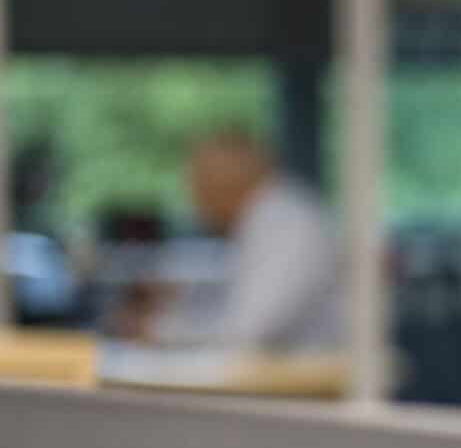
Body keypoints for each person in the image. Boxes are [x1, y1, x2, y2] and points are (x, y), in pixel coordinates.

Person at [122, 130, 343, 351]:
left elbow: (250, 330)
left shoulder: (287, 223)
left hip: (308, 378)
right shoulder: (268, 217)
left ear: (222, 182)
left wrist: (160, 330)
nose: (196, 204)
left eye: (197, 185)